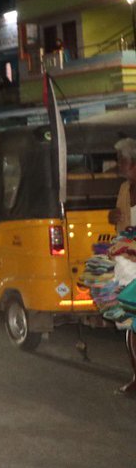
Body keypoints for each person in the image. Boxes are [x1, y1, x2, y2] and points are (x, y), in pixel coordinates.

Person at [110, 137, 136, 394]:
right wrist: (112, 216)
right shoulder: (124, 190)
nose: (119, 165)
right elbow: (118, 220)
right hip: (127, 264)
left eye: (123, 161)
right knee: (130, 324)